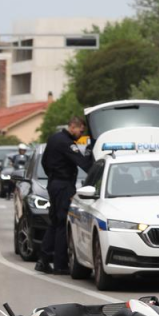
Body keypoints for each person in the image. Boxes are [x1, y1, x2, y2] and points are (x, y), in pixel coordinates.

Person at [38, 117, 94, 274]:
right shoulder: (67, 143)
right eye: (81, 131)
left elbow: (44, 162)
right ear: (73, 127)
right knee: (63, 224)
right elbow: (84, 164)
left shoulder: (54, 138)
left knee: (55, 223)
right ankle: (60, 265)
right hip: (63, 186)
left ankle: (43, 260)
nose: (81, 134)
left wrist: (54, 176)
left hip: (54, 184)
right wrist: (90, 151)